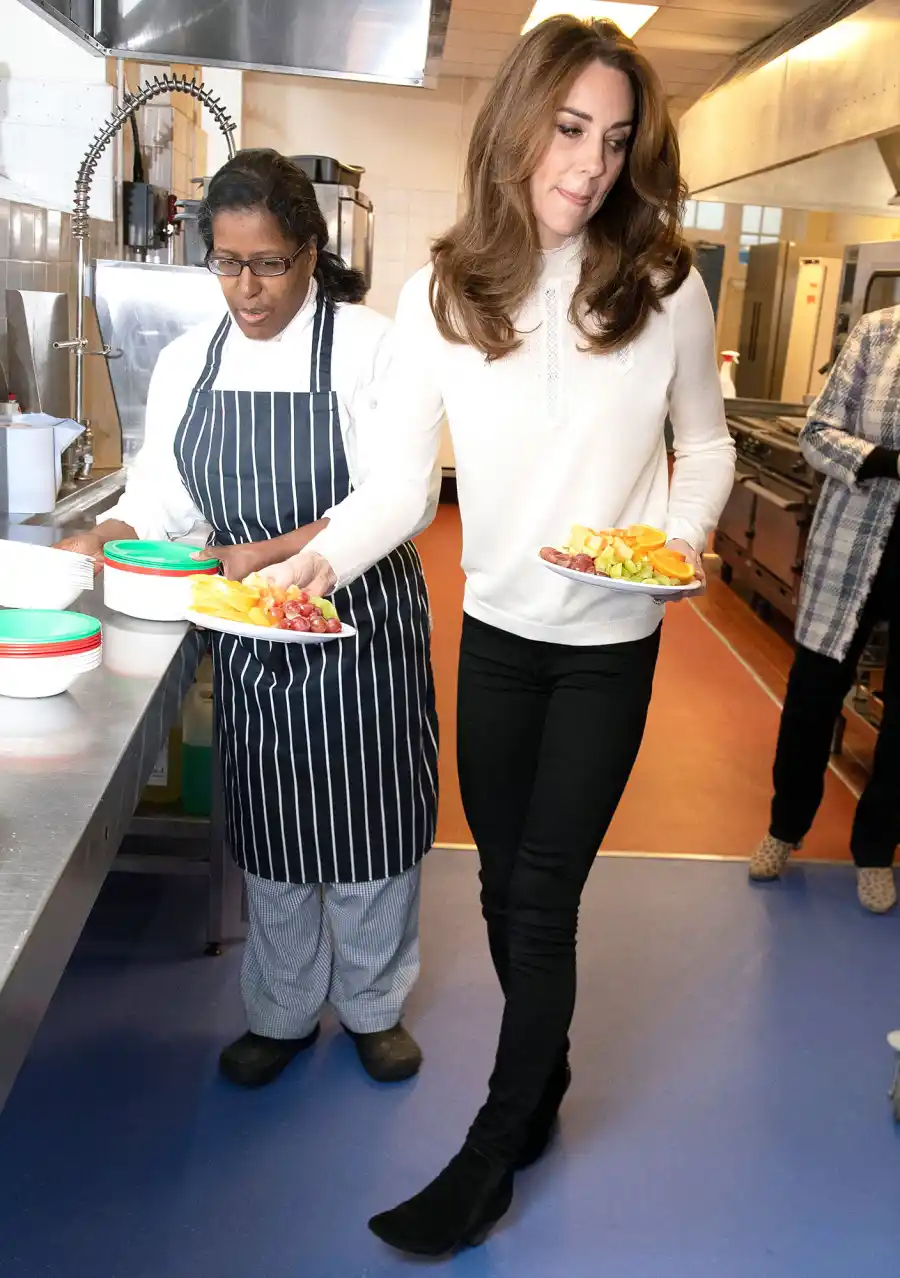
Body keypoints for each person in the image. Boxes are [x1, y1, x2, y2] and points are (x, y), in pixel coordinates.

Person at [260, 17, 735, 1256]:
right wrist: (315, 561)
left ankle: (491, 1150)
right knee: (495, 884)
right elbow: (400, 486)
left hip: (611, 641)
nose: (591, 163)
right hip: (499, 633)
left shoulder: (665, 286)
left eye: (616, 140)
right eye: (570, 129)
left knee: (540, 897)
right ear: (519, 123)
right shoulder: (444, 294)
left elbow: (708, 443)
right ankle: (545, 1074)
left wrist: (677, 542)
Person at [57, 150, 439, 1088]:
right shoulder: (191, 359)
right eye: (228, 264)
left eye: (268, 263)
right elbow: (162, 496)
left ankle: (374, 1008)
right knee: (274, 828)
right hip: (252, 635)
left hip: (360, 622)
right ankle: (280, 1011)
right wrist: (109, 535)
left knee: (373, 824)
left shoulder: (372, 347)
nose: (248, 289)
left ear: (310, 252)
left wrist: (280, 558)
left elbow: (403, 493)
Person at [749, 307, 900, 912]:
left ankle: (876, 852)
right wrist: (889, 462)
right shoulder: (878, 333)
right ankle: (785, 827)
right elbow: (817, 433)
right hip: (850, 551)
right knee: (811, 700)